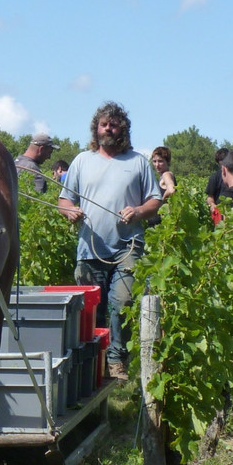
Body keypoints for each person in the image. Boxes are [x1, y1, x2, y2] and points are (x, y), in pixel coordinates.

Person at [58, 102, 163, 380]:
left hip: (127, 247)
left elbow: (155, 200)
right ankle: (91, 361)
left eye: (114, 124)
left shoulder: (138, 162)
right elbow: (64, 200)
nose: (108, 128)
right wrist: (70, 211)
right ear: (97, 128)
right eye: (104, 123)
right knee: (91, 310)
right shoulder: (82, 160)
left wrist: (138, 211)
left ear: (122, 130)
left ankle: (116, 361)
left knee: (123, 303)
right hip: (90, 248)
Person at [205, 148, 229, 220]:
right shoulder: (215, 177)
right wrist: (212, 204)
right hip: (220, 213)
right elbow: (210, 197)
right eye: (221, 163)